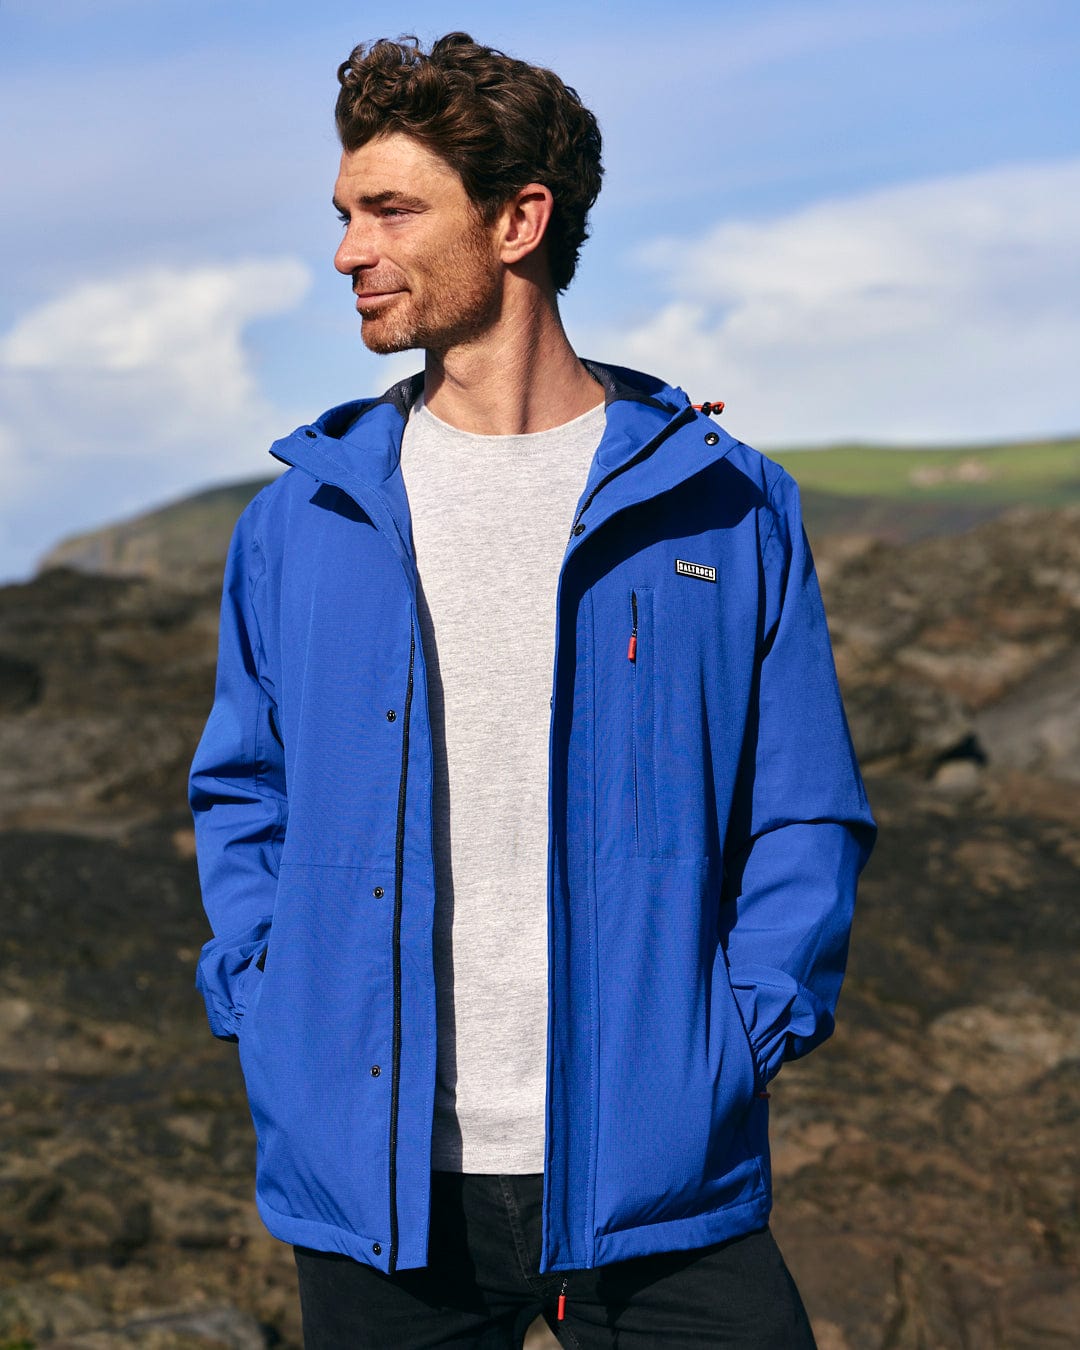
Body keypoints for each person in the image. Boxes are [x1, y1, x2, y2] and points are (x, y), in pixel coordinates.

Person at [189, 32, 876, 1349]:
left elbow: (802, 809)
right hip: (379, 1192)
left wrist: (734, 1040)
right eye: (343, 215)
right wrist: (269, 1002)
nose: (347, 251)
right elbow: (242, 788)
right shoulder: (302, 521)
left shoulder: (724, 506)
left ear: (519, 220)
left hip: (661, 1178)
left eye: (390, 210)